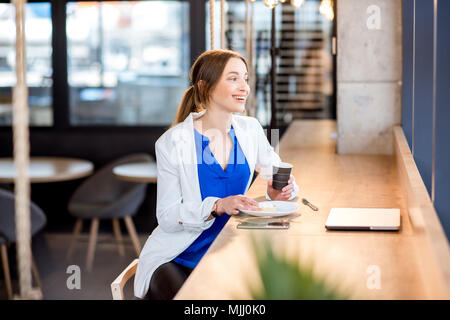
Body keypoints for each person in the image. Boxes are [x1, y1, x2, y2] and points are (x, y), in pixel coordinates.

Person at [134, 49, 299, 299]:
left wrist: (280, 190)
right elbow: (166, 216)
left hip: (228, 249)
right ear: (205, 86)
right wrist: (217, 206)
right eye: (233, 78)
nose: (244, 87)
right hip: (179, 257)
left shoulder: (250, 129)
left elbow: (275, 172)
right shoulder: (172, 143)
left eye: (245, 78)